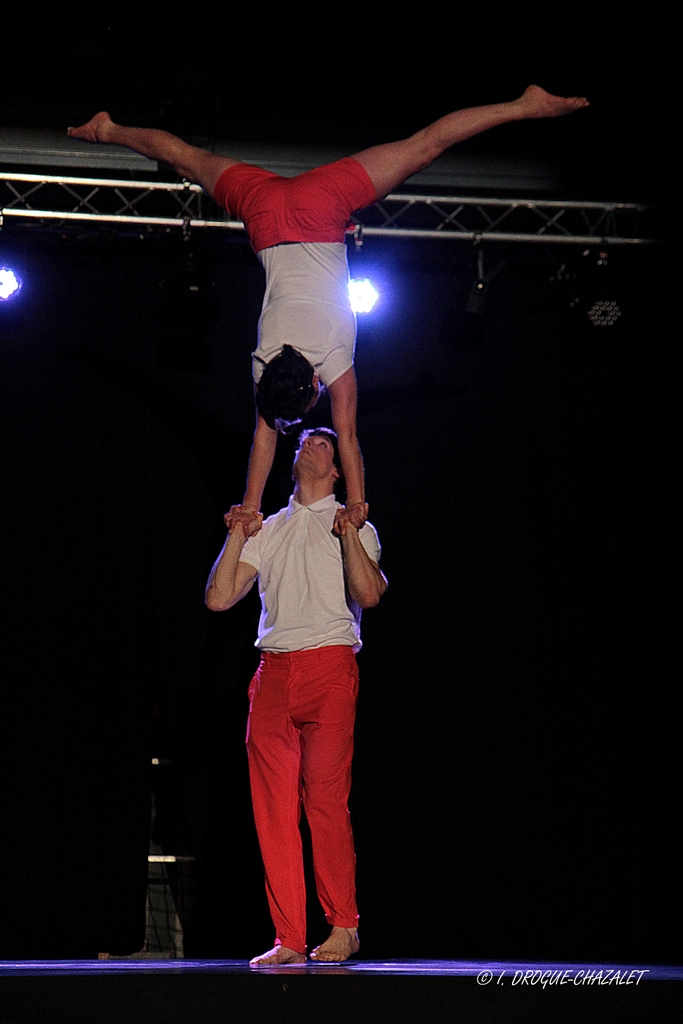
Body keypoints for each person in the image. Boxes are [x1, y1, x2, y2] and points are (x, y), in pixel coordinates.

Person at [69, 86, 588, 533]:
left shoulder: (335, 361)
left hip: (320, 212)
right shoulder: (263, 367)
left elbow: (349, 437)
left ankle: (525, 106)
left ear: (314, 385)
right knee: (186, 159)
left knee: (424, 148)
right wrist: (248, 506)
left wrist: (357, 503)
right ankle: (109, 129)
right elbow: (263, 439)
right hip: (267, 212)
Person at [205, 427, 387, 964]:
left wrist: (349, 531)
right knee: (273, 810)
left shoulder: (357, 525)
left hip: (329, 667)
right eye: (305, 441)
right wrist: (239, 530)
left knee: (325, 800)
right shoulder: (272, 528)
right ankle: (289, 937)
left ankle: (343, 926)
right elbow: (218, 598)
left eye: (325, 443)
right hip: (274, 674)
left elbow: (369, 594)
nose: (310, 444)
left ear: (337, 470)